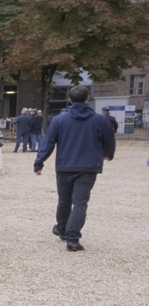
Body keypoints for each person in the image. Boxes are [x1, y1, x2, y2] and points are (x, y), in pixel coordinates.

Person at [33, 85, 116, 252]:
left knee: (64, 201)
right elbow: (109, 140)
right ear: (88, 98)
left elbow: (48, 142)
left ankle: (63, 229)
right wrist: (108, 154)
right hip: (88, 166)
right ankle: (72, 237)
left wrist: (39, 161)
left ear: (69, 100)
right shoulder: (100, 120)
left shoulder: (59, 120)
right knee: (80, 202)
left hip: (65, 165)